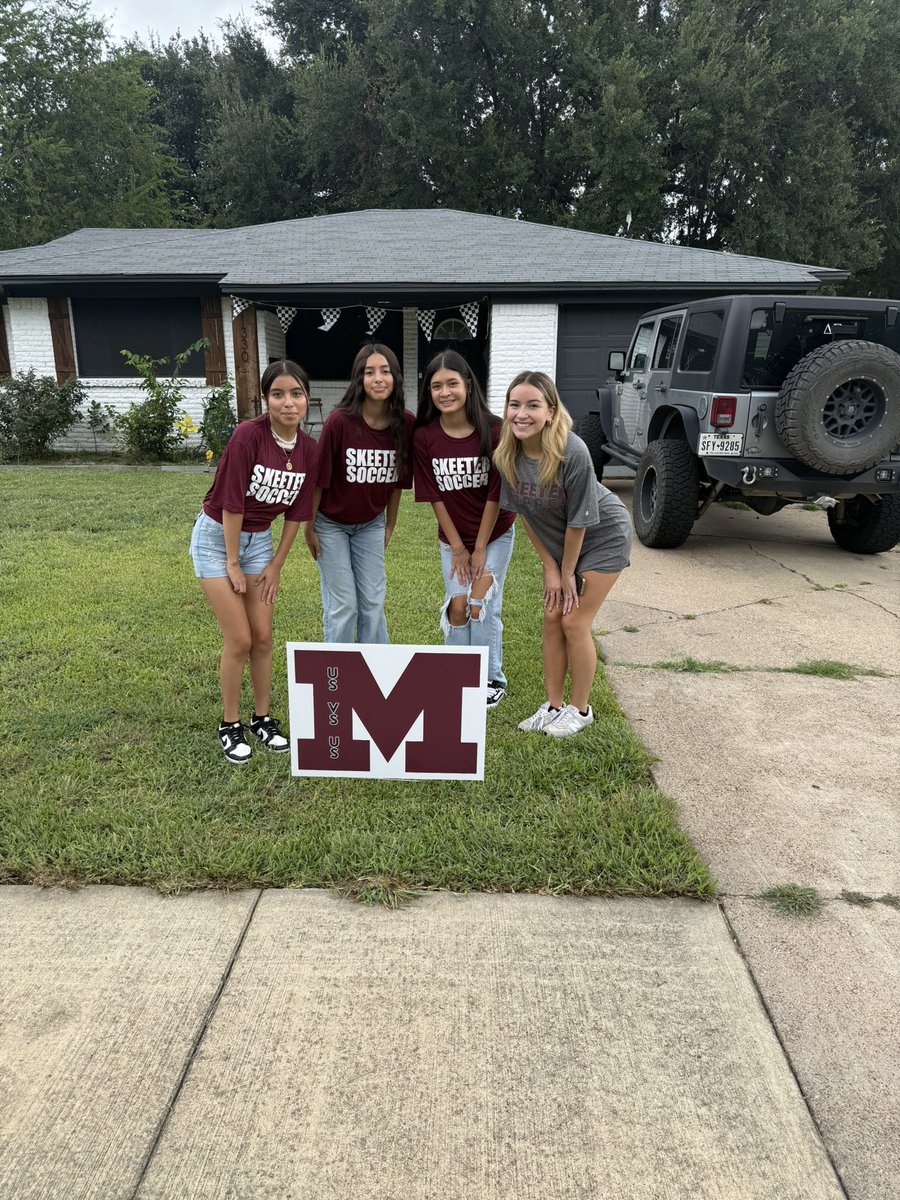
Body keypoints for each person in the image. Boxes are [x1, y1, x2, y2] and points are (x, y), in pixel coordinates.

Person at [189, 360, 317, 764]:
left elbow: (298, 512)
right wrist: (230, 562)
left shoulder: (309, 449)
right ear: (265, 399)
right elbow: (230, 501)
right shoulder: (249, 436)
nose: (288, 403)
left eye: (296, 394)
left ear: (307, 399)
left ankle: (262, 718)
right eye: (277, 394)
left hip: (260, 544)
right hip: (216, 540)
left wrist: (276, 564)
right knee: (239, 638)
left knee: (262, 636)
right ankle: (230, 724)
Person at [494, 370, 632, 738]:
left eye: (533, 405)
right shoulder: (507, 454)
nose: (521, 414)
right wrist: (550, 566)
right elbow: (524, 515)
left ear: (551, 412)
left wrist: (567, 571)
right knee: (552, 616)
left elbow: (579, 520)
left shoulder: (572, 451)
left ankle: (580, 710)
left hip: (603, 537)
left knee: (573, 620)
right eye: (514, 404)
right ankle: (553, 707)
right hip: (559, 547)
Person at [413, 350, 516, 708]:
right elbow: (433, 495)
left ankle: (490, 678)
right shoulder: (424, 437)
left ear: (468, 385)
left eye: (452, 384)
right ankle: (455, 674)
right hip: (453, 539)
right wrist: (459, 548)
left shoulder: (495, 430)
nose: (445, 392)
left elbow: (496, 492)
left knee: (480, 602)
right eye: (436, 385)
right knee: (457, 604)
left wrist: (481, 546)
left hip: (495, 533)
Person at [305, 343, 414, 642]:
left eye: (385, 371)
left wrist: (389, 524)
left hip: (370, 525)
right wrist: (309, 528)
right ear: (359, 379)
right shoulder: (339, 422)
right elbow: (319, 481)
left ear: (395, 377)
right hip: (330, 525)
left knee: (372, 603)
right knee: (344, 605)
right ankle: (336, 676)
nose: (378, 378)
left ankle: (376, 675)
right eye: (369, 372)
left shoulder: (405, 424)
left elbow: (397, 484)